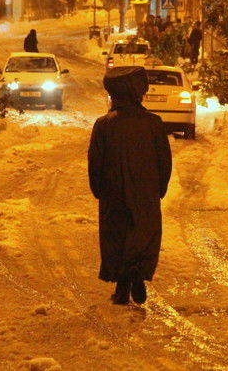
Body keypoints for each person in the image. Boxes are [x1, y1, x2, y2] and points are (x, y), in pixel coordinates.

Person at [88, 66, 172, 305]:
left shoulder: (104, 124)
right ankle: (137, 272)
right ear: (138, 93)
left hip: (112, 191)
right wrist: (160, 187)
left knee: (117, 235)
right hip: (146, 191)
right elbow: (164, 160)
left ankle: (122, 286)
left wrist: (98, 189)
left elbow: (95, 161)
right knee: (142, 233)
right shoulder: (154, 124)